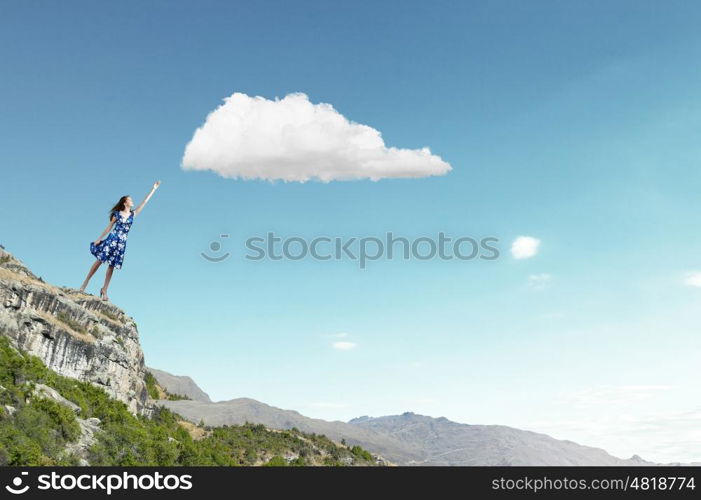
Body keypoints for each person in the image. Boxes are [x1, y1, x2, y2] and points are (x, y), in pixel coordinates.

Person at [79, 181, 161, 301]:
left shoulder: (133, 214)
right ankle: (85, 282)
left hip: (121, 244)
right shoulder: (117, 214)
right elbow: (109, 228)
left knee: (111, 266)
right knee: (99, 261)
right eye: (130, 199)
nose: (132, 201)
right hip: (112, 239)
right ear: (125, 202)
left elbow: (144, 202)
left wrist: (153, 189)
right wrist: (99, 239)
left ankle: (105, 290)